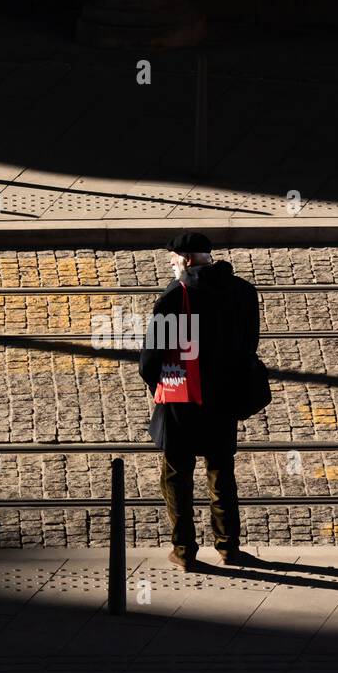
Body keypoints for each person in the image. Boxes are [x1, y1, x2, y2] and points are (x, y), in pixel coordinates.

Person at [139, 232, 261, 571]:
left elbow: (151, 361)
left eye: (174, 258)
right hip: (224, 398)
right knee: (221, 472)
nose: (171, 263)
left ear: (187, 259)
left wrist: (158, 389)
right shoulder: (243, 292)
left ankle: (184, 550)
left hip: (181, 399)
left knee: (177, 475)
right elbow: (249, 343)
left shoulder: (174, 297)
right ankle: (228, 547)